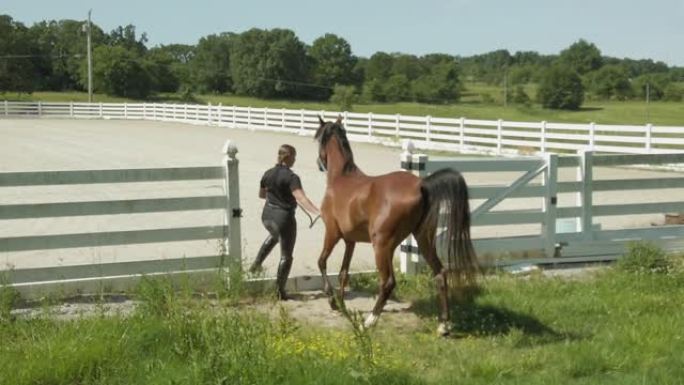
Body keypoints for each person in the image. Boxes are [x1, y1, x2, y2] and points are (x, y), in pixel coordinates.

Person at [249, 144, 320, 300]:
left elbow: (262, 195)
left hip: (267, 216)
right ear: (288, 157)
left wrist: (278, 196)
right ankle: (279, 292)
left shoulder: (267, 173)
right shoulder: (292, 177)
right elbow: (301, 197)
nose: (295, 160)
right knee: (286, 256)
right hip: (284, 219)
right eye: (294, 157)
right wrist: (317, 211)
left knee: (275, 236)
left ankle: (256, 265)